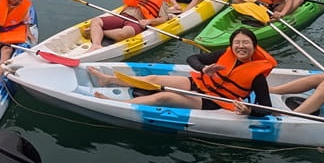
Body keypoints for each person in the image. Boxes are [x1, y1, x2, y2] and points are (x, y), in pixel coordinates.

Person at [89, 28, 276, 114]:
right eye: (237, 43)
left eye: (246, 43)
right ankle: (108, 79)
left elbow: (266, 108)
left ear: (254, 46)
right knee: (154, 78)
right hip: (200, 84)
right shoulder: (225, 54)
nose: (241, 47)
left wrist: (249, 111)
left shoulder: (258, 76)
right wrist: (204, 68)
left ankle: (117, 104)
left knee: (164, 97)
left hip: (215, 100)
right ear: (231, 45)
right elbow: (192, 59)